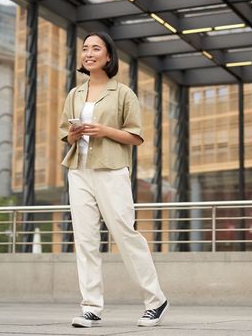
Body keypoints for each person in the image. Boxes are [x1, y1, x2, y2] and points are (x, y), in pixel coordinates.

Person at [59, 32, 168, 328]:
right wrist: (75, 133)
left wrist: (103, 130)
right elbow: (65, 135)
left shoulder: (123, 94)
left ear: (109, 56)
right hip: (79, 171)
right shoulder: (74, 94)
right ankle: (91, 307)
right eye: (85, 49)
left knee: (125, 234)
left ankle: (155, 300)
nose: (89, 53)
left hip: (111, 170)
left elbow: (135, 136)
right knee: (85, 240)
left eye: (96, 48)